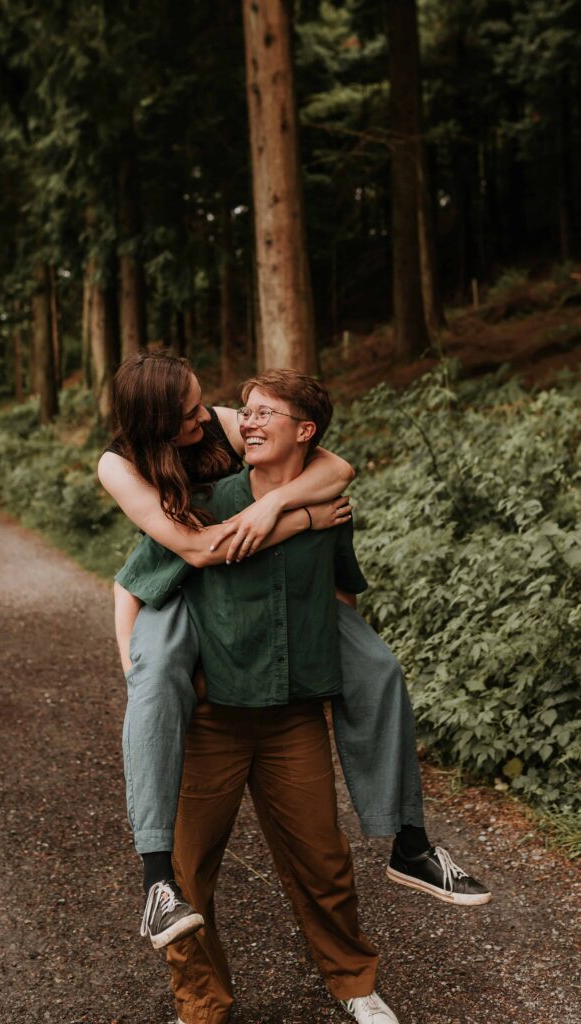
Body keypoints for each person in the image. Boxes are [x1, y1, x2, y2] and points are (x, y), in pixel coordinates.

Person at [97, 353, 490, 949]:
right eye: (189, 411)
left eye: (206, 402)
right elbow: (194, 553)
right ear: (156, 418)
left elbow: (336, 467)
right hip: (181, 579)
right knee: (154, 684)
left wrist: (274, 504)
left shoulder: (227, 424)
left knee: (379, 669)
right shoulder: (119, 465)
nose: (209, 414)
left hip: (270, 581)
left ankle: (410, 845)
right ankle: (156, 884)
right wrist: (302, 521)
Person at [118, 369, 398, 1023]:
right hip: (209, 718)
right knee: (186, 875)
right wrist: (143, 678)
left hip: (290, 715)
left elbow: (338, 598)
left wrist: (330, 672)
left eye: (263, 413)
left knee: (323, 861)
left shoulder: (330, 507)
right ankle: (201, 1004)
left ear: (301, 434)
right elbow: (131, 583)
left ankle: (354, 983)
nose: (244, 421)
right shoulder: (201, 500)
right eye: (242, 412)